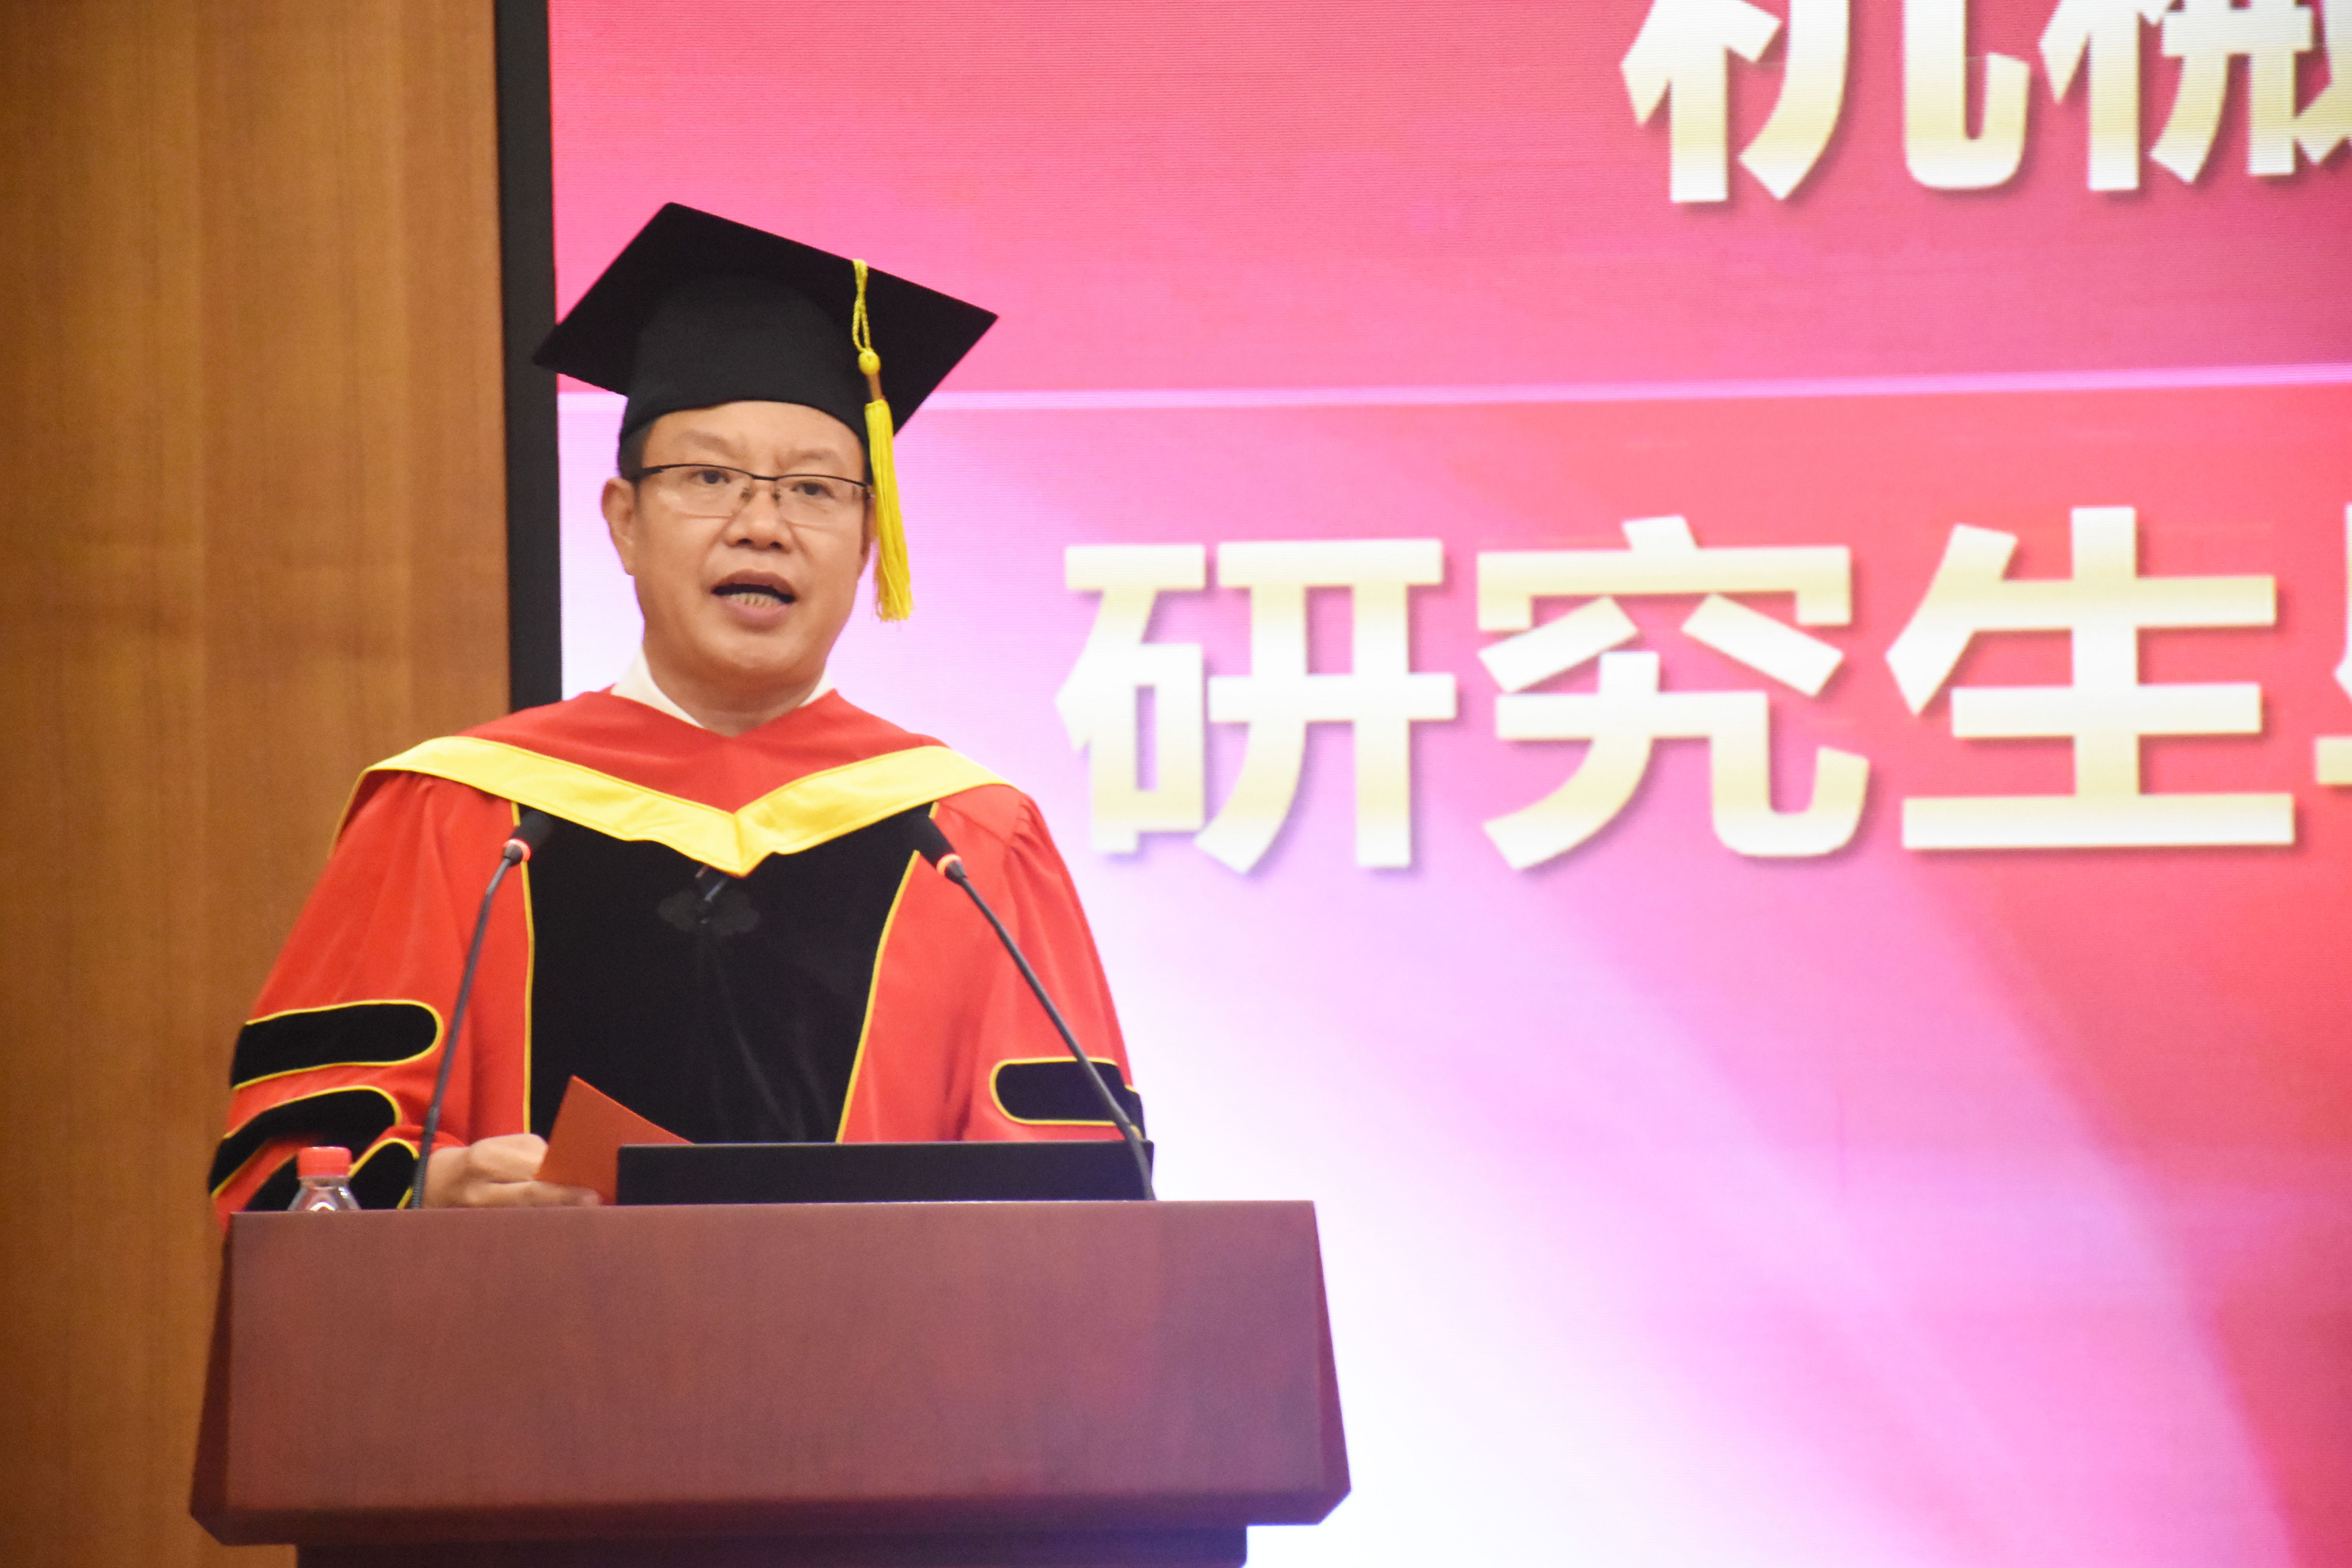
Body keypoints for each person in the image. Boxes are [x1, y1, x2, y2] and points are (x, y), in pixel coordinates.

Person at [207, 205, 1139, 1219]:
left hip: (874, 1333)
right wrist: (432, 1196)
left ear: (870, 540)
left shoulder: (967, 840)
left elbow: (1076, 1200)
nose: (762, 526)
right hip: (513, 1326)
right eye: (709, 478)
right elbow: (292, 1172)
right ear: (624, 521)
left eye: (814, 490)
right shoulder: (456, 813)